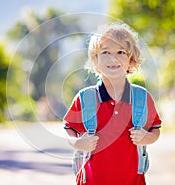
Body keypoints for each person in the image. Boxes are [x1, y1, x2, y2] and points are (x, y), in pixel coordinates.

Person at [63, 22, 162, 185]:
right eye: (105, 52)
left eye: (120, 52)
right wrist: (78, 142)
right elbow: (69, 129)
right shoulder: (85, 98)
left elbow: (155, 130)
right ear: (95, 59)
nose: (113, 58)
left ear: (131, 59)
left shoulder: (141, 98)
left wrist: (147, 138)